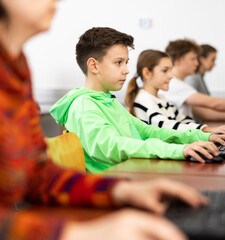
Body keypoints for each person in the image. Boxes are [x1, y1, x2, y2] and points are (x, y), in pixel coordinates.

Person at [0, 1, 209, 239]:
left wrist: (122, 191)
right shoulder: (82, 104)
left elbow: (37, 174)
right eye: (119, 63)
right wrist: (80, 233)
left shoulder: (16, 68)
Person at [50, 27, 225, 173]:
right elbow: (113, 146)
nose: (127, 70)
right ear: (94, 65)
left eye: (126, 62)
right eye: (119, 62)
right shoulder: (84, 106)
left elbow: (149, 131)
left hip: (131, 176)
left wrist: (202, 136)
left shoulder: (108, 101)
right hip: (114, 187)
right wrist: (178, 150)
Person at [125, 49, 225, 135]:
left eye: (171, 70)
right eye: (165, 70)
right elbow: (165, 125)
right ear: (147, 73)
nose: (171, 75)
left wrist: (206, 131)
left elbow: (183, 120)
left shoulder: (161, 98)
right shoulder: (143, 98)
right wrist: (206, 130)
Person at [160, 39, 225, 122]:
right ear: (178, 60)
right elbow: (214, 103)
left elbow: (205, 113)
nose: (197, 63)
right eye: (192, 59)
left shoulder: (178, 83)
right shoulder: (175, 85)